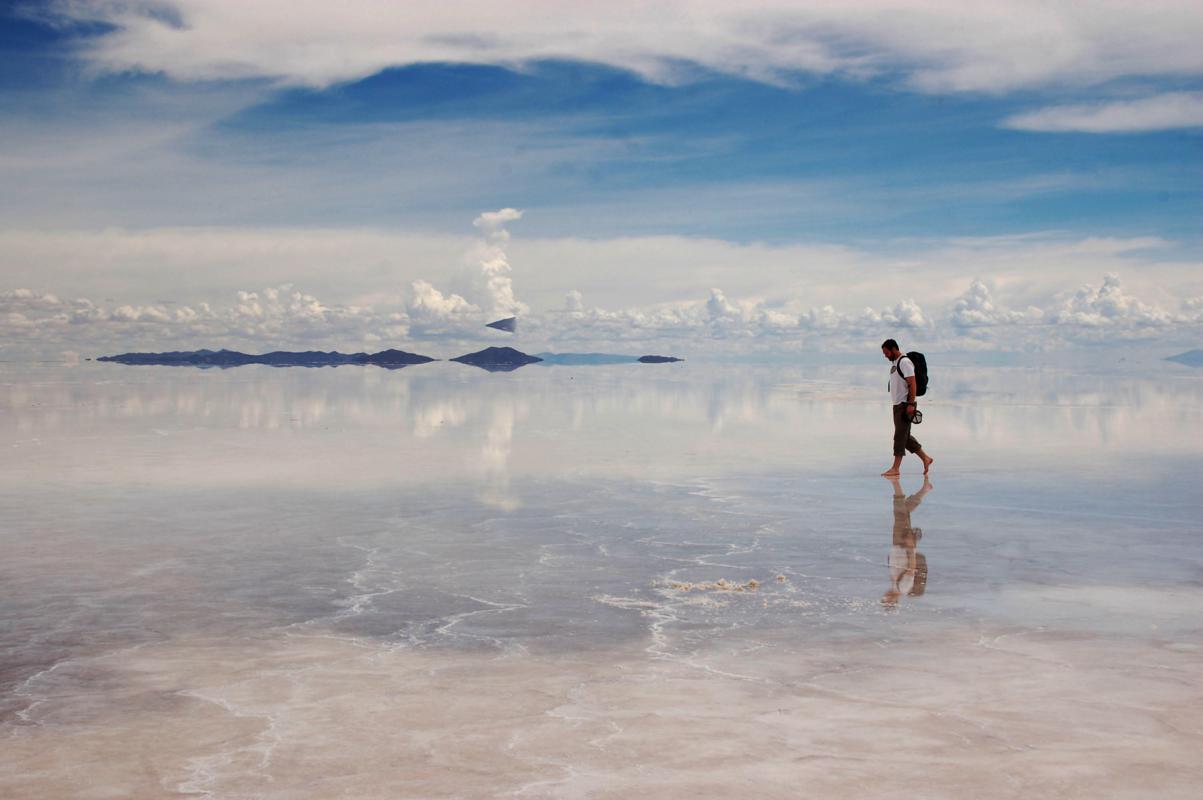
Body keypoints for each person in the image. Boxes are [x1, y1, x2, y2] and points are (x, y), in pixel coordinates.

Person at [880, 339, 933, 477]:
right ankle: (926, 458)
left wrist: (910, 404)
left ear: (893, 349)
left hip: (905, 405)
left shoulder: (904, 362)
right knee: (905, 437)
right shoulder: (896, 363)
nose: (885, 356)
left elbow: (912, 384)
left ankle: (895, 468)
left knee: (899, 437)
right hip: (898, 405)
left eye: (886, 353)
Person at [881, 475, 931, 608]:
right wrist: (911, 546)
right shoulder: (903, 588)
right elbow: (911, 569)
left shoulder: (896, 587)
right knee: (899, 512)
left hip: (898, 545)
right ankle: (895, 482)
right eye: (885, 599)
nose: (883, 596)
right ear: (892, 601)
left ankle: (924, 490)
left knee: (902, 512)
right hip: (903, 545)